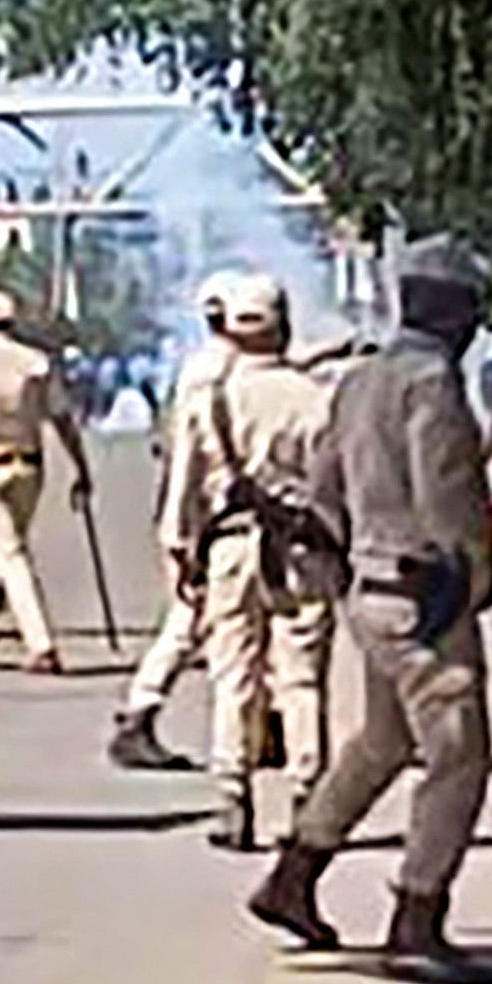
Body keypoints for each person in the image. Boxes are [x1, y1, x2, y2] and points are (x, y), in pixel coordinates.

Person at [247, 235, 492, 984]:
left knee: (382, 741)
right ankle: (416, 918)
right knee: (458, 755)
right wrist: (474, 577)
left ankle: (295, 871)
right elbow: (447, 493)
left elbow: (324, 488)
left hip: (367, 588)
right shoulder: (433, 384)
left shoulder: (359, 379)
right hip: (425, 595)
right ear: (453, 311)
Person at [169, 273, 342, 853]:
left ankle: (233, 795)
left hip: (231, 545)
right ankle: (307, 796)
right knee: (301, 678)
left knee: (234, 674)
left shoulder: (209, 398)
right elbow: (334, 486)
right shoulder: (316, 398)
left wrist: (178, 547)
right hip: (300, 549)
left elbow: (183, 490)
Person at [109, 273, 249, 774]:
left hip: (205, 513)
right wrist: (180, 534)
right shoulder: (220, 372)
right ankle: (141, 714)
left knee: (216, 625)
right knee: (197, 625)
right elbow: (188, 458)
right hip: (218, 515)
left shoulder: (200, 366)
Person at [0, 286, 96, 675]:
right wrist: (81, 467)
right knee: (8, 549)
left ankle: (40, 643)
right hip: (29, 465)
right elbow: (62, 419)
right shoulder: (34, 362)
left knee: (9, 554)